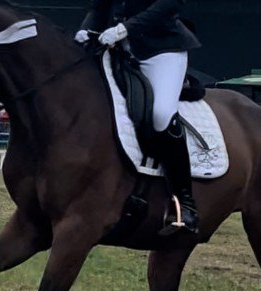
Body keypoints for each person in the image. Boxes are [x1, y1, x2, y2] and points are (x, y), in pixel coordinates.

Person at [75, 0, 201, 235]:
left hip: (161, 50)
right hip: (118, 50)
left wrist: (125, 29)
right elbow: (99, 7)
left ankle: (186, 204)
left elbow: (169, 4)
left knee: (161, 114)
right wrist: (85, 29)